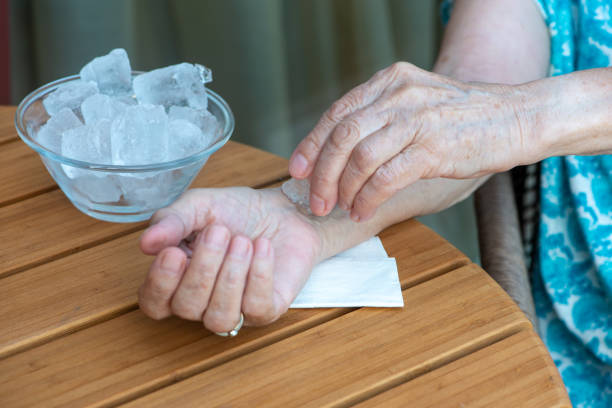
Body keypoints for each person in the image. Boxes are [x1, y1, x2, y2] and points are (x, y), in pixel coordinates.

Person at [138, 0, 611, 405]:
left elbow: (499, 111)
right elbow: (477, 91)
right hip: (569, 352)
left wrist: (519, 117)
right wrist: (304, 216)